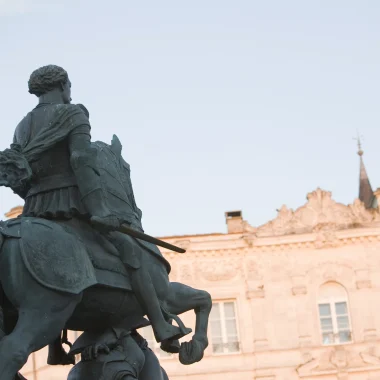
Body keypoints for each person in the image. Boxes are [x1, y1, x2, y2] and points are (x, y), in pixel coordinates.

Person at [10, 65, 182, 344]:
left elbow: (20, 173)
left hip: (35, 210)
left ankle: (56, 344)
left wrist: (33, 198)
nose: (69, 92)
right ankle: (161, 325)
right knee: (130, 251)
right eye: (69, 86)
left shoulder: (22, 125)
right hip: (72, 204)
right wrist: (100, 210)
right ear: (63, 85)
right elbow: (81, 160)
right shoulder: (73, 113)